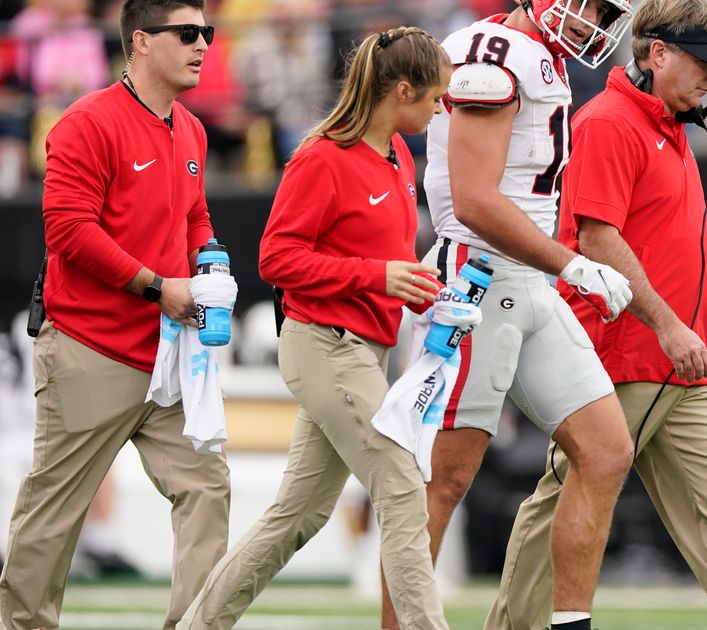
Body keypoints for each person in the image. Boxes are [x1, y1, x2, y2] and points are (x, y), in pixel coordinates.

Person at [484, 1, 707, 627]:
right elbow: (597, 238)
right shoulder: (609, 121)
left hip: (680, 360)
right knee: (566, 495)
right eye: (703, 63)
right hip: (623, 352)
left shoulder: (668, 126)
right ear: (657, 53)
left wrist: (679, 333)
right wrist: (667, 324)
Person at [177, 26, 457, 630]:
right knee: (404, 487)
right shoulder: (323, 157)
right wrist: (378, 278)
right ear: (402, 90)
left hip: (363, 351)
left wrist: (419, 293)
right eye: (434, 98)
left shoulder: (400, 154)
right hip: (326, 348)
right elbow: (275, 259)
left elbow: (380, 264)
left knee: (297, 515)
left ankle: (197, 624)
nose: (441, 110)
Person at [379, 2, 637, 630]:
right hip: (478, 277)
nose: (597, 20)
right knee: (444, 480)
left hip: (529, 281)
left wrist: (558, 268)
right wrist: (573, 264)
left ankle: (568, 622)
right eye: (594, 6)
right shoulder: (492, 56)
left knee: (606, 451)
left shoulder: (540, 57)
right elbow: (472, 199)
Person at [0, 0, 232, 627]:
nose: (202, 45)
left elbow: (194, 215)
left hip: (167, 349)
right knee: (54, 513)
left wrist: (210, 265)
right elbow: (69, 229)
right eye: (187, 33)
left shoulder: (192, 128)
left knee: (206, 488)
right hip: (89, 347)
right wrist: (160, 286)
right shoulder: (86, 122)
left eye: (207, 34)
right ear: (141, 41)